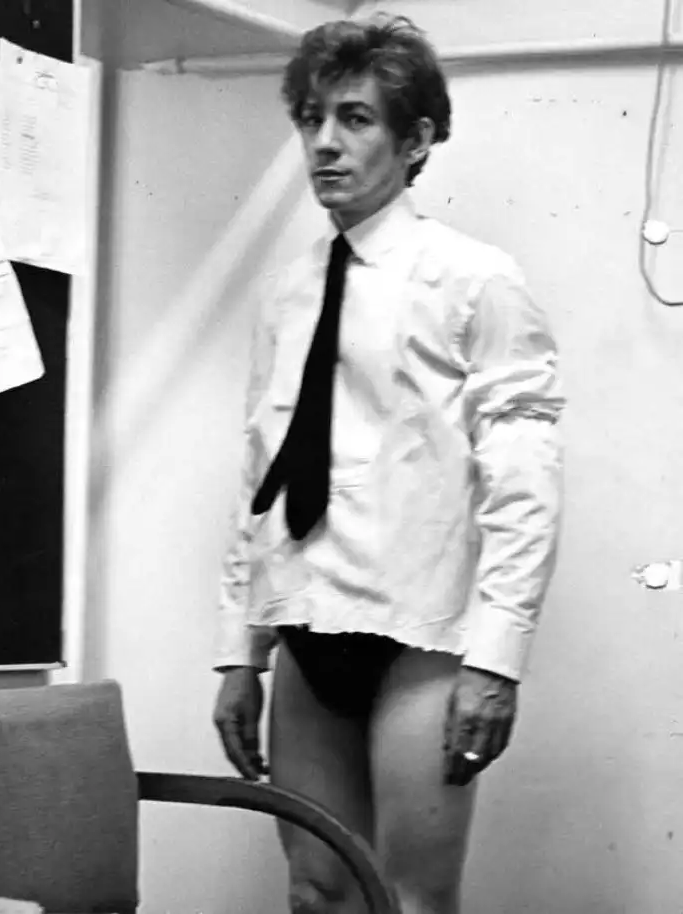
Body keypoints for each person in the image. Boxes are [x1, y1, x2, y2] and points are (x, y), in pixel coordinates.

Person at [212, 13, 564, 914]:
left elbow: (525, 486)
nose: (325, 143)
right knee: (317, 892)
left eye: (356, 118)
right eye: (312, 118)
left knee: (412, 900)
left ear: (416, 140)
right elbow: (261, 472)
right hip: (307, 622)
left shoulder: (475, 281)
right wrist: (239, 653)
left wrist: (497, 661)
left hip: (420, 637)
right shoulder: (287, 292)